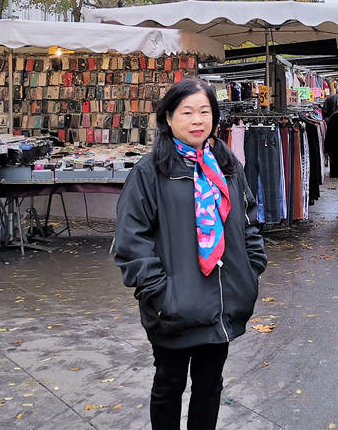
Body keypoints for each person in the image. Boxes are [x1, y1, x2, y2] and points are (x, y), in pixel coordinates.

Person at [114, 78, 266, 430]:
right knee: (169, 386)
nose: (197, 120)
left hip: (224, 304)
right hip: (174, 309)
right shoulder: (150, 172)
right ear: (168, 118)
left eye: (204, 111)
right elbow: (130, 240)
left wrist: (250, 270)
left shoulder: (226, 165)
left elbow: (249, 220)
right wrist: (160, 293)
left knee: (210, 387)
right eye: (187, 112)